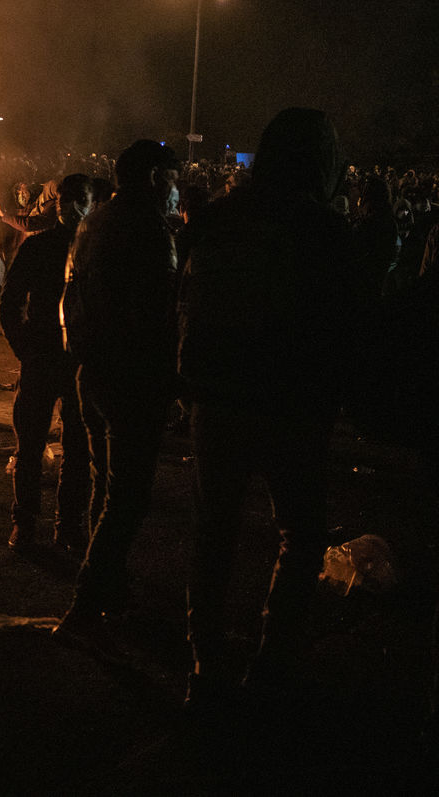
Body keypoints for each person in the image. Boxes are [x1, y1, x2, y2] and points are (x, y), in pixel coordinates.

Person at [178, 108, 359, 708]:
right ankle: (272, 661)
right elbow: (345, 326)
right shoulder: (326, 231)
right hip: (292, 405)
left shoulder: (217, 218)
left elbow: (187, 304)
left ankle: (204, 662)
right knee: (301, 534)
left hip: (218, 399)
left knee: (215, 531)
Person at [53, 139, 180, 662]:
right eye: (171, 179)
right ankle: (85, 607)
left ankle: (111, 587)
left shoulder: (93, 222)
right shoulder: (149, 228)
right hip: (131, 379)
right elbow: (158, 317)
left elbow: (72, 297)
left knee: (107, 486)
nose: (175, 190)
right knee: (126, 497)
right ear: (153, 178)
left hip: (93, 371)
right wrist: (168, 383)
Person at [0, 173, 95, 551]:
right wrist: (24, 347)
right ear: (58, 204)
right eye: (67, 199)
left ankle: (67, 526)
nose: (73, 207)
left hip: (78, 361)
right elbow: (9, 302)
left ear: (92, 204)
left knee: (77, 448)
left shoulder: (95, 250)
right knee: (30, 446)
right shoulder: (38, 247)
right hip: (41, 356)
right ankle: (24, 523)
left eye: (81, 199)